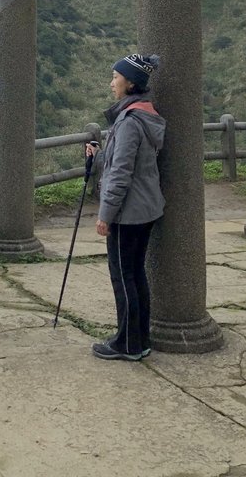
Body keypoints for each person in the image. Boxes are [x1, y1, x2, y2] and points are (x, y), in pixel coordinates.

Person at [86, 53, 165, 361]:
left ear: (131, 83)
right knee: (135, 274)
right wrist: (99, 155)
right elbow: (124, 160)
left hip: (128, 213)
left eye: (115, 78)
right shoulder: (144, 114)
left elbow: (121, 174)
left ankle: (127, 344)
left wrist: (105, 215)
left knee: (123, 276)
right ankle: (139, 338)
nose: (111, 83)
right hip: (145, 208)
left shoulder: (131, 121)